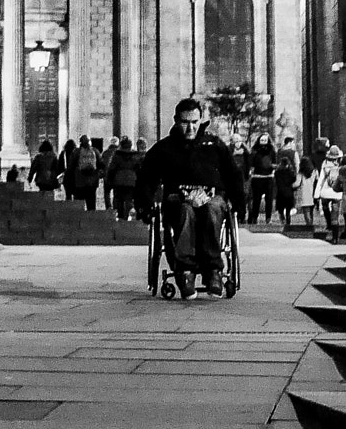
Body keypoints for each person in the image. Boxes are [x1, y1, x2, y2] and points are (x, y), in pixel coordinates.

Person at [135, 101, 246, 296]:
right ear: (176, 121)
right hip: (178, 199)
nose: (190, 127)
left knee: (213, 208)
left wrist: (239, 203)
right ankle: (185, 269)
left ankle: (213, 270)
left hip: (211, 197)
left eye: (194, 122)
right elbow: (147, 178)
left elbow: (233, 174)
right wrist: (144, 205)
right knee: (185, 211)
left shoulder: (214, 144)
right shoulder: (164, 148)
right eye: (185, 122)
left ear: (200, 120)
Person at [246, 130, 278, 225]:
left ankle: (268, 218)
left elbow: (274, 163)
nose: (263, 141)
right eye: (262, 139)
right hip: (257, 177)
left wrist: (272, 167)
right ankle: (254, 217)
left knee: (269, 199)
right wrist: (251, 172)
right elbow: (251, 163)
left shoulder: (272, 151)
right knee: (256, 199)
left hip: (268, 177)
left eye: (265, 140)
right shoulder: (255, 151)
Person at [106, 135, 141, 220]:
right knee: (129, 199)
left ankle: (121, 216)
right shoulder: (135, 155)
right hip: (131, 180)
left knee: (119, 199)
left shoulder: (117, 155)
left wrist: (109, 179)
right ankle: (128, 214)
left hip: (119, 180)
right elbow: (139, 168)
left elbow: (112, 168)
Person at [71, 134, 101, 211]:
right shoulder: (95, 151)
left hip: (80, 180)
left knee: (78, 203)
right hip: (92, 181)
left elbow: (72, 165)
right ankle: (91, 219)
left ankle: (79, 218)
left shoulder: (76, 152)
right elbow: (101, 164)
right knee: (91, 202)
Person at [275, 141, 298, 231]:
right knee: (288, 208)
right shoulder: (290, 172)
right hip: (289, 192)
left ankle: (282, 217)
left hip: (280, 192)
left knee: (281, 207)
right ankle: (288, 220)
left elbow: (276, 182)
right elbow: (293, 179)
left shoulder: (278, 172)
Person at [294, 151, 317, 232]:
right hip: (313, 192)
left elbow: (297, 184)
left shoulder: (301, 173)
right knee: (311, 211)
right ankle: (311, 223)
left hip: (304, 193)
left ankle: (309, 225)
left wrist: (290, 185)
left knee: (306, 211)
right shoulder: (314, 171)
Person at [60, 135, 80, 203]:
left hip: (67, 175)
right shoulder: (77, 153)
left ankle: (68, 207)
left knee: (68, 194)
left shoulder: (63, 153)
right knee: (76, 194)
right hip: (76, 176)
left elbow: (60, 165)